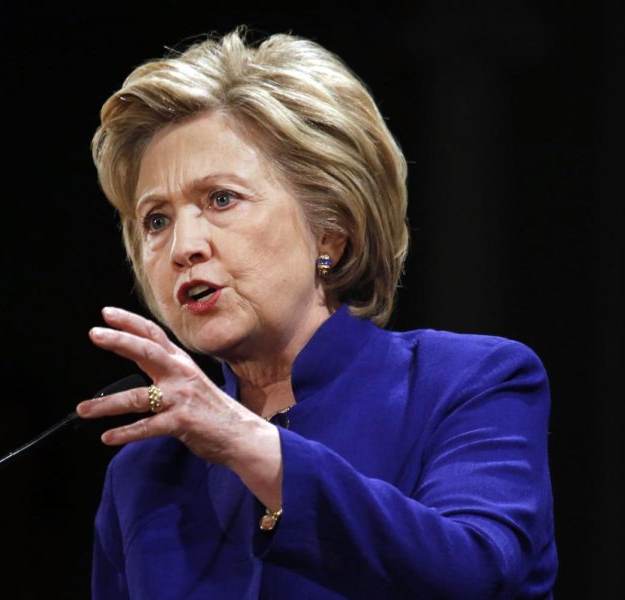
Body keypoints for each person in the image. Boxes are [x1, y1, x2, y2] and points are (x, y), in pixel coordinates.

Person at [76, 28, 557, 599]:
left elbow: (476, 574)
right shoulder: (144, 473)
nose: (184, 246)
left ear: (333, 230)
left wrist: (247, 443)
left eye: (220, 200)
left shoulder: (467, 383)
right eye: (156, 219)